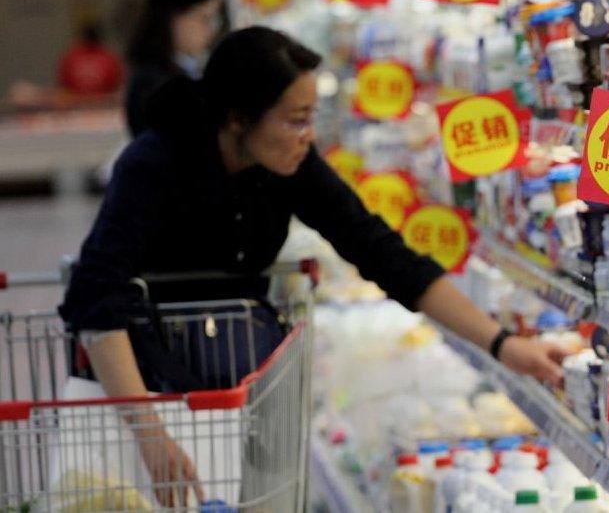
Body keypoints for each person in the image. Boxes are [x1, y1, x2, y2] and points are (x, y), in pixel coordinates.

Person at [60, 27, 567, 507]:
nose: (307, 135)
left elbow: (382, 254)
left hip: (236, 376)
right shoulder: (155, 162)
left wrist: (503, 345)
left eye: (311, 118)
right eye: (294, 118)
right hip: (144, 382)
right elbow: (95, 296)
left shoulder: (288, 164)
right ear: (238, 118)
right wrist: (150, 433)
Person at [124, 0, 222, 137]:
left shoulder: (184, 70)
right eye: (204, 18)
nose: (211, 30)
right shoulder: (153, 84)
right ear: (172, 18)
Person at [57, 22, 124, 97]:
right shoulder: (109, 57)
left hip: (101, 101)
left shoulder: (109, 58)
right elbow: (64, 83)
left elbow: (115, 83)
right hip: (78, 101)